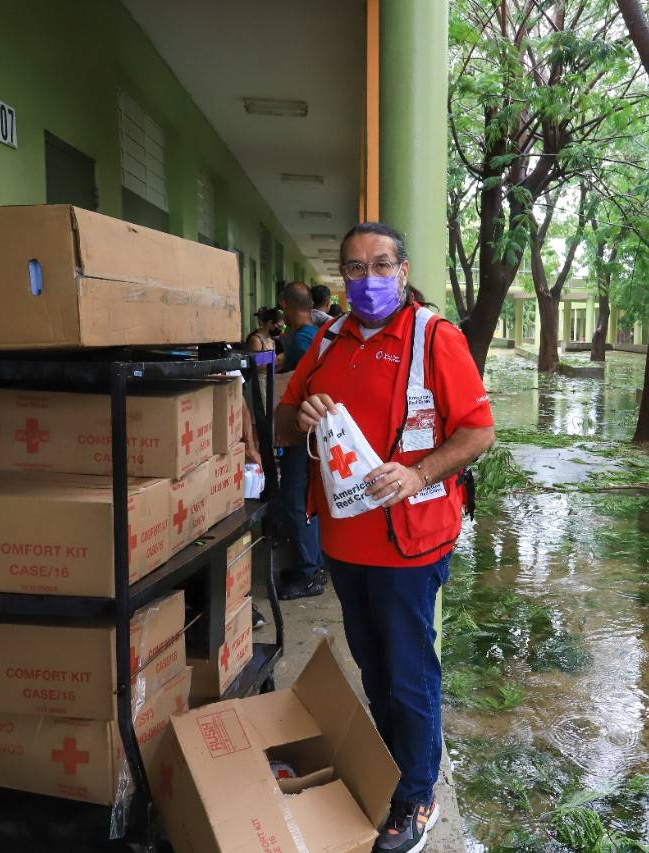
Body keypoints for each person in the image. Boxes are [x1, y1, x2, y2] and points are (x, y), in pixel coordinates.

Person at [275, 222, 493, 852]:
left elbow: (479, 432)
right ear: (341, 278)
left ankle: (417, 794)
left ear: (401, 271)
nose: (366, 279)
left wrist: (419, 471)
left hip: (410, 544)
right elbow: (286, 424)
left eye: (379, 266)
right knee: (373, 666)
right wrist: (304, 413)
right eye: (353, 268)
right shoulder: (326, 343)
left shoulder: (433, 338)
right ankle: (397, 764)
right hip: (345, 542)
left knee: (408, 673)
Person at [276, 282, 325, 600]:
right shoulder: (306, 337)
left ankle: (309, 572)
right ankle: (307, 566)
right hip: (298, 431)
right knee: (295, 499)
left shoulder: (307, 339)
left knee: (297, 500)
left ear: (284, 304)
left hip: (302, 434)